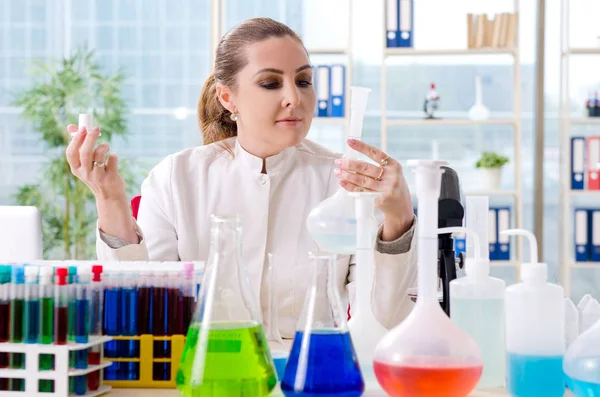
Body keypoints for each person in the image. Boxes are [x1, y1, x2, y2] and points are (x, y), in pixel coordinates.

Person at [65, 17, 417, 339]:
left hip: (310, 375)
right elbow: (144, 310)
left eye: (304, 81)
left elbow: (386, 320)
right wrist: (109, 199)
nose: (294, 98)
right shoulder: (177, 178)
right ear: (227, 97)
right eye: (270, 83)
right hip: (207, 372)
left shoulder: (348, 182)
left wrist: (398, 218)